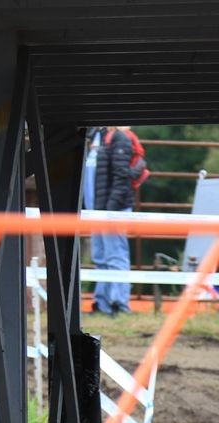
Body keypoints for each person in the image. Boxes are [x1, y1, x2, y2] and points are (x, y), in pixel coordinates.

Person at [92, 125, 137, 315]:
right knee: (101, 256)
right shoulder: (100, 135)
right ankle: (102, 303)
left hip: (110, 209)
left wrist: (111, 207)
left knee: (115, 256)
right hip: (100, 208)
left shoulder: (119, 138)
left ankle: (119, 304)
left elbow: (122, 176)